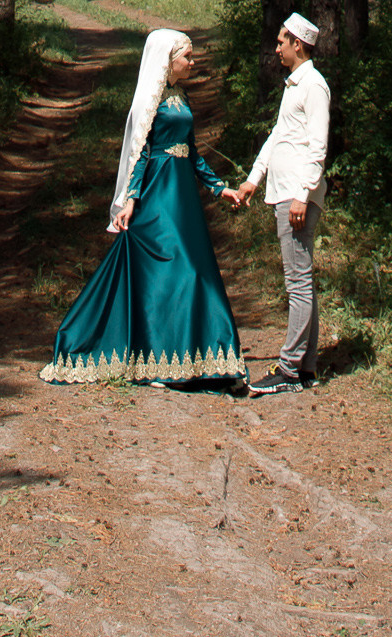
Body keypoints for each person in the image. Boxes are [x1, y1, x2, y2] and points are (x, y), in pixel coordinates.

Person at [41, 27, 248, 387]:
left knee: (196, 270)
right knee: (172, 271)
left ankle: (195, 355)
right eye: (187, 57)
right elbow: (140, 153)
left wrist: (219, 189)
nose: (193, 62)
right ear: (167, 60)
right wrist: (130, 200)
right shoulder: (149, 101)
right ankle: (157, 356)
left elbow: (192, 152)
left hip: (183, 198)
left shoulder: (181, 97)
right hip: (158, 194)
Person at [224, 10, 329, 394]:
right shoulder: (294, 85)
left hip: (296, 196)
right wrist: (253, 179)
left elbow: (318, 147)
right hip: (285, 192)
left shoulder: (313, 85)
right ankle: (306, 367)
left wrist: (303, 195)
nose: (277, 47)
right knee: (302, 282)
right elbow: (278, 136)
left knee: (297, 282)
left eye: (281, 41)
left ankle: (288, 369)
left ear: (297, 45)